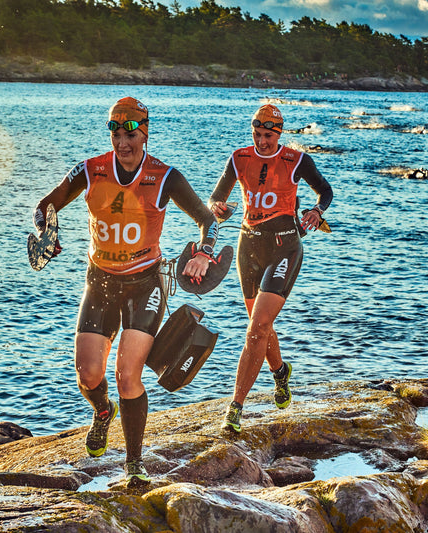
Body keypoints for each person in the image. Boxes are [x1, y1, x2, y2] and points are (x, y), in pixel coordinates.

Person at [32, 97, 217, 486]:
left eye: (130, 134)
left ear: (144, 134)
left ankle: (134, 463)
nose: (122, 142)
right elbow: (45, 205)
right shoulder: (89, 170)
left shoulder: (165, 177)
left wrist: (203, 252)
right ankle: (102, 412)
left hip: (145, 284)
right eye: (116, 134)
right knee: (88, 372)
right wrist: (48, 231)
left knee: (127, 374)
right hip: (99, 281)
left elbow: (206, 219)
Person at [208, 104, 333, 433]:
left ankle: (235, 407)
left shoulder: (297, 160)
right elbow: (216, 198)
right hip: (247, 247)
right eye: (257, 134)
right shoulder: (239, 158)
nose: (262, 141)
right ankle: (280, 373)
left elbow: (325, 191)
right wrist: (216, 207)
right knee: (258, 326)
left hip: (284, 247)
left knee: (256, 328)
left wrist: (317, 211)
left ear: (279, 134)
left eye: (268, 135)